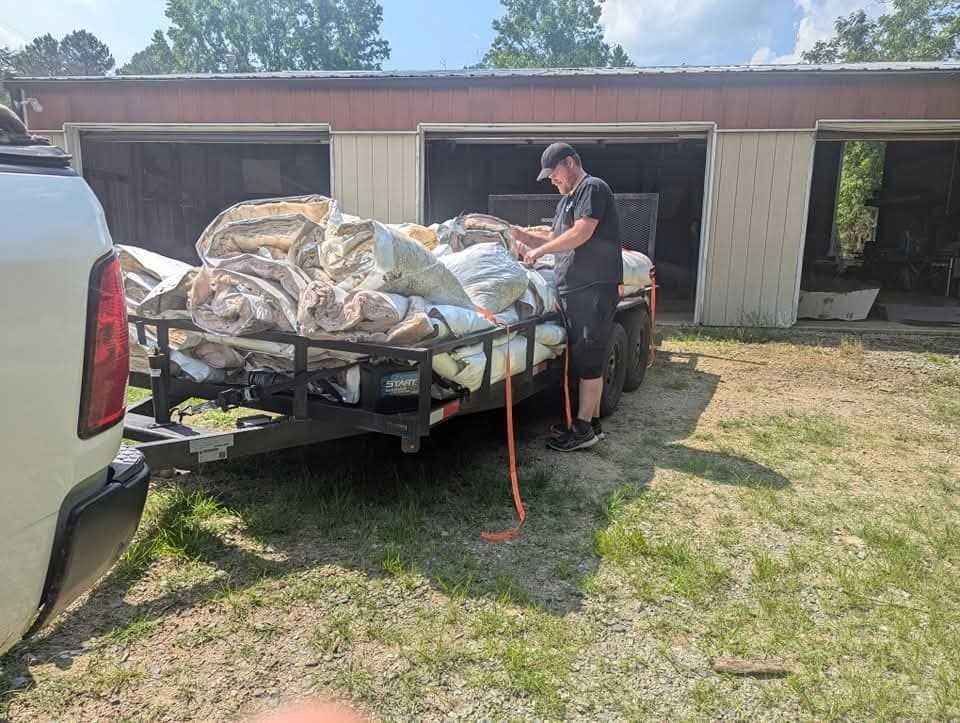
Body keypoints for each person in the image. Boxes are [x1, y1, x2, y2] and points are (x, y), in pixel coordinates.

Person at [511, 142, 624, 452]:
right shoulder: (566, 201)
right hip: (575, 292)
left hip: (593, 290)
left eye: (555, 172)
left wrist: (538, 252)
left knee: (590, 357)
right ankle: (591, 424)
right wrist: (523, 237)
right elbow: (555, 237)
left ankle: (584, 429)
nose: (552, 179)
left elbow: (581, 233)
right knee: (582, 358)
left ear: (571, 163)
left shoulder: (592, 188)